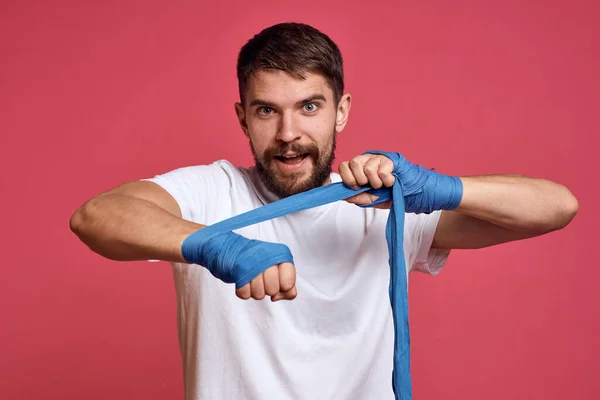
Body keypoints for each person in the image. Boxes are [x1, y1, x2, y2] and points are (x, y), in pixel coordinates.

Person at [70, 22, 578, 400]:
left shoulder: (384, 204)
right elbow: (96, 217)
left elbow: (556, 207)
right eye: (267, 110)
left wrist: (442, 188)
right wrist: (213, 243)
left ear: (342, 111)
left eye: (309, 107)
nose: (289, 132)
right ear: (243, 118)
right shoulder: (212, 193)